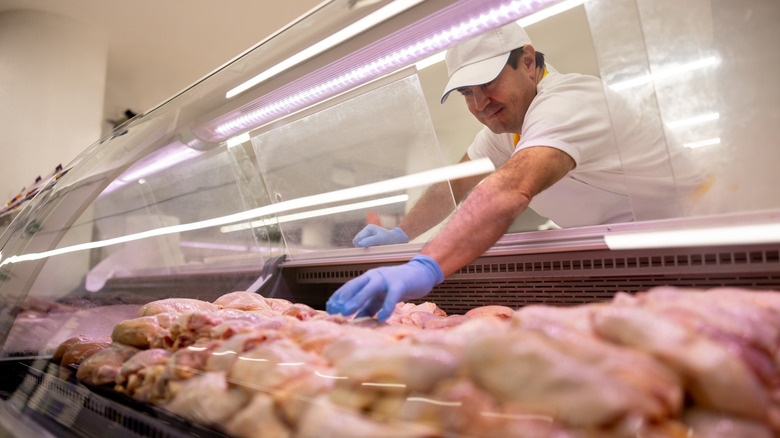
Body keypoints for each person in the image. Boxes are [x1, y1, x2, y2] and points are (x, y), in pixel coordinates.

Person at [329, 22, 704, 321]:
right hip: (623, 265)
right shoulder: (507, 130)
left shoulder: (571, 100)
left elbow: (509, 190)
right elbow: (453, 186)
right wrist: (401, 232)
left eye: (487, 83)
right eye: (465, 93)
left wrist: (425, 266)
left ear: (527, 61)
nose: (479, 104)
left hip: (696, 254)